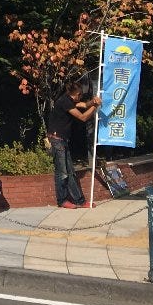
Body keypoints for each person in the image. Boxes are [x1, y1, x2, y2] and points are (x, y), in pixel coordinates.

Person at [46, 78, 100, 209]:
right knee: (62, 172)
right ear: (75, 94)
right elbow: (83, 117)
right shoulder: (65, 102)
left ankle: (79, 201)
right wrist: (95, 106)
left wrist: (92, 102)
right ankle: (62, 200)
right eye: (80, 94)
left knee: (70, 172)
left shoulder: (69, 100)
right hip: (57, 139)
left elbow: (83, 105)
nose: (80, 97)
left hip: (63, 140)